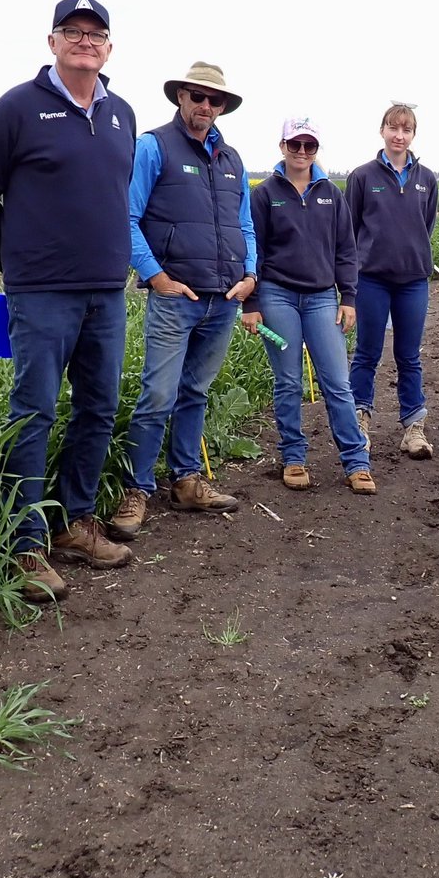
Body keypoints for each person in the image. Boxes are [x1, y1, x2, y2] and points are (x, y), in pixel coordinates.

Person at [0, 0, 136, 602]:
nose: (85, 41)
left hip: (105, 295)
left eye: (97, 34)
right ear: (53, 41)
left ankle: (74, 524)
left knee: (98, 407)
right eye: (73, 31)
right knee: (33, 413)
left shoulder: (122, 115)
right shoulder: (16, 110)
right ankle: (22, 544)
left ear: (109, 47)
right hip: (41, 296)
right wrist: (21, 266)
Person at [108, 62, 258, 540]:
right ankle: (138, 489)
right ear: (180, 98)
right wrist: (156, 277)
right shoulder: (154, 146)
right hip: (177, 299)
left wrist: (250, 274)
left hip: (224, 300)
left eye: (214, 100)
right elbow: (127, 217)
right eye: (197, 97)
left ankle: (187, 481)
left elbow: (245, 225)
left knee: (196, 392)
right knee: (157, 395)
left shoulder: (232, 159)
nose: (205, 107)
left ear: (222, 107)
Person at [241, 118, 376, 494]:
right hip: (276, 296)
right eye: (294, 144)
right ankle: (294, 457)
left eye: (309, 145)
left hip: (321, 299)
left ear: (317, 149)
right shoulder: (265, 194)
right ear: (281, 146)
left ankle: (356, 460)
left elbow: (346, 250)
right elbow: (254, 249)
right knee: (288, 381)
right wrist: (251, 301)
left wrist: (348, 297)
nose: (301, 152)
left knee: (337, 382)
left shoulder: (332, 194)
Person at [346, 103, 439, 459]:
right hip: (371, 280)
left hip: (413, 281)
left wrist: (410, 253)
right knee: (367, 353)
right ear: (382, 130)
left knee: (409, 355)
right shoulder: (362, 177)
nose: (399, 135)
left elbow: (424, 225)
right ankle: (360, 422)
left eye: (406, 129)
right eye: (393, 127)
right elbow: (350, 229)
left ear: (413, 135)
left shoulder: (426, 179)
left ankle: (414, 428)